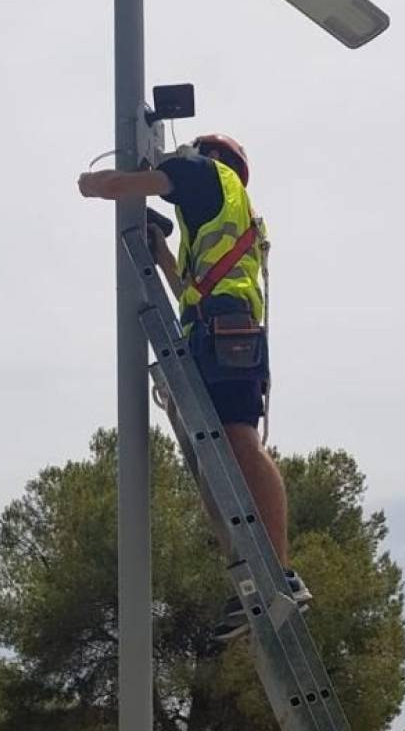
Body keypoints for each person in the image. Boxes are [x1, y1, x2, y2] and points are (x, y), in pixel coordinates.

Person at [78, 134, 311, 639]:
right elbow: (191, 287)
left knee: (238, 442)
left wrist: (93, 184)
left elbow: (120, 184)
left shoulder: (204, 174)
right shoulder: (213, 218)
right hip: (216, 330)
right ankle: (252, 577)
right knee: (220, 454)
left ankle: (281, 574)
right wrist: (161, 248)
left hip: (226, 331)